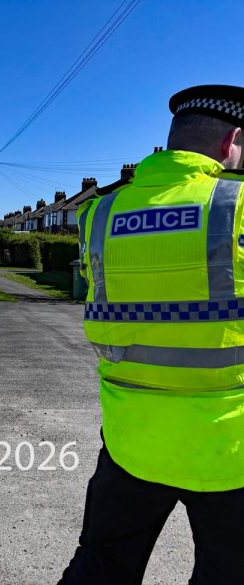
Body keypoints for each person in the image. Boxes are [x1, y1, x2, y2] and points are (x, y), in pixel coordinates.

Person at [59, 85, 244, 584]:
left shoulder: (100, 215)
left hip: (131, 438)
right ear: (231, 141)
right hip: (228, 448)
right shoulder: (238, 204)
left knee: (102, 565)